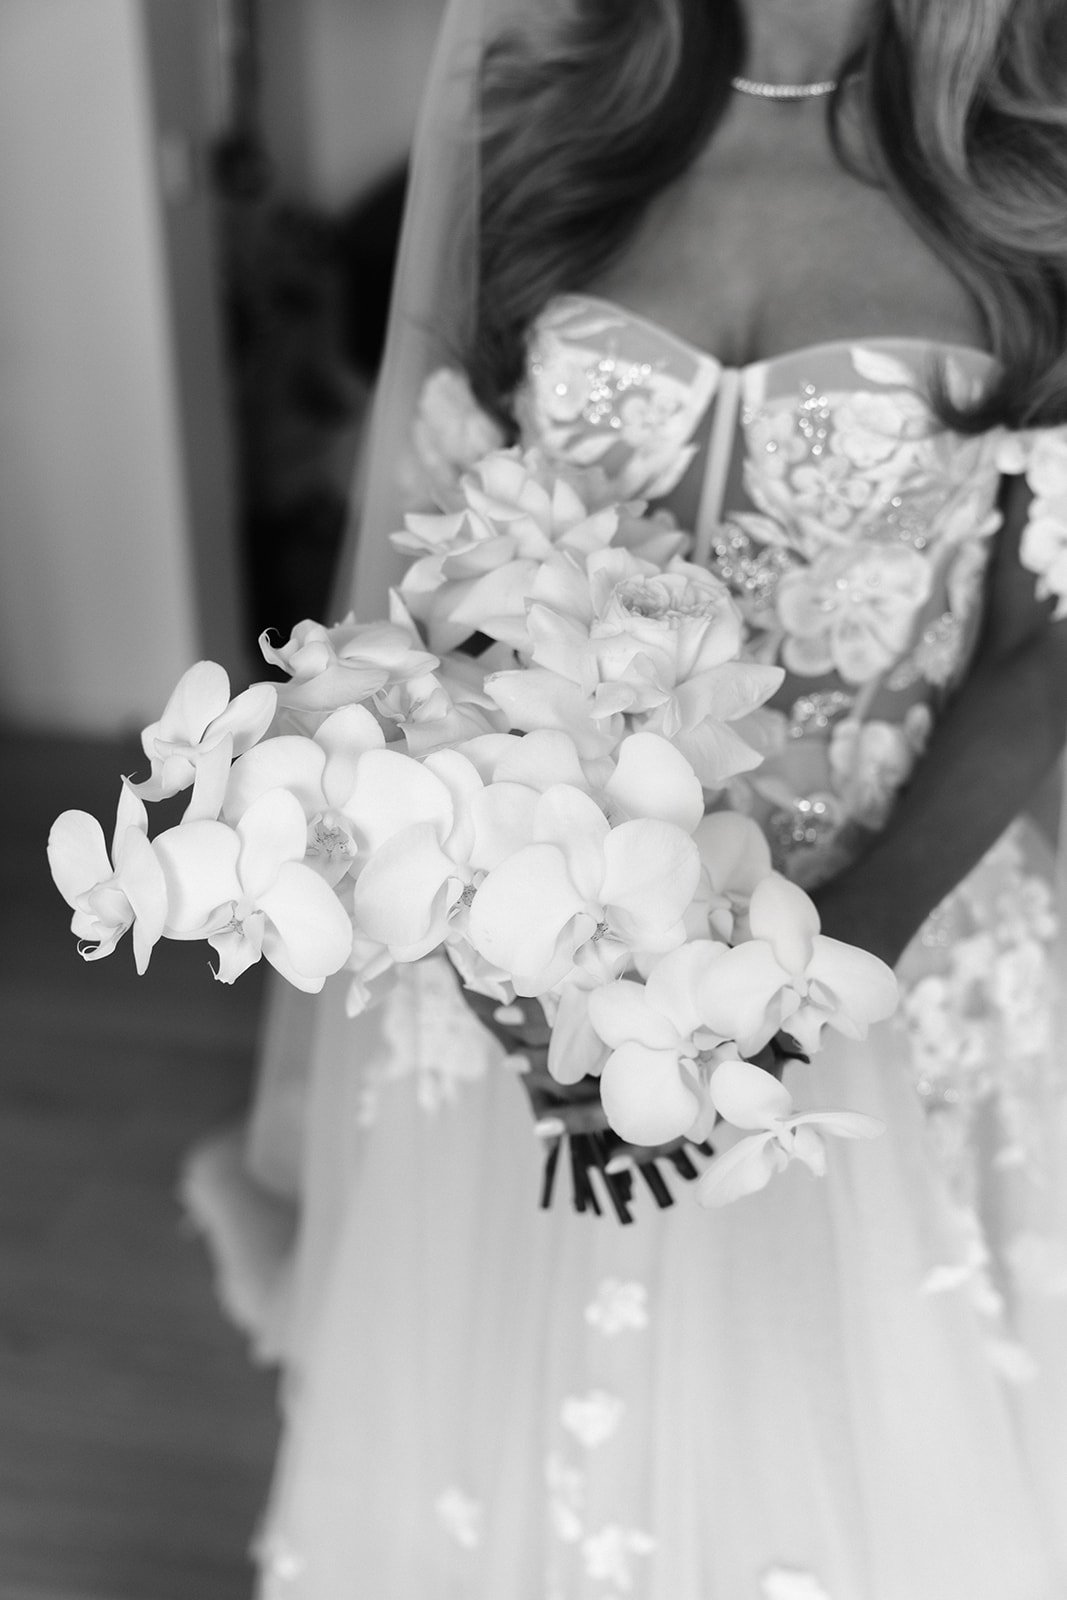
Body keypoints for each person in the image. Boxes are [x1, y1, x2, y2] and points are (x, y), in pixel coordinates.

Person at [186, 0, 1067, 1594]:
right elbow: (428, 581)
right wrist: (520, 969)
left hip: (892, 951)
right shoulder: (537, 118)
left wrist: (805, 987)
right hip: (540, 948)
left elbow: (1037, 646)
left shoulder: (1033, 175)